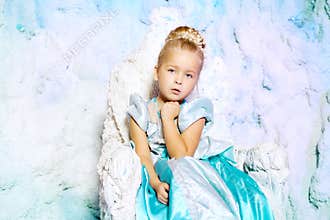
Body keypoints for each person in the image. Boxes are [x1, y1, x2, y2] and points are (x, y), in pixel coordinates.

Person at [127, 26, 274, 220]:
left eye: (188, 75)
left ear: (196, 80)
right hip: (157, 173)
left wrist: (168, 120)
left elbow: (181, 156)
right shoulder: (142, 112)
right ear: (157, 72)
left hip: (192, 169)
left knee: (191, 181)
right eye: (172, 70)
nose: (179, 80)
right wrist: (154, 183)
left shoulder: (195, 112)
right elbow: (143, 156)